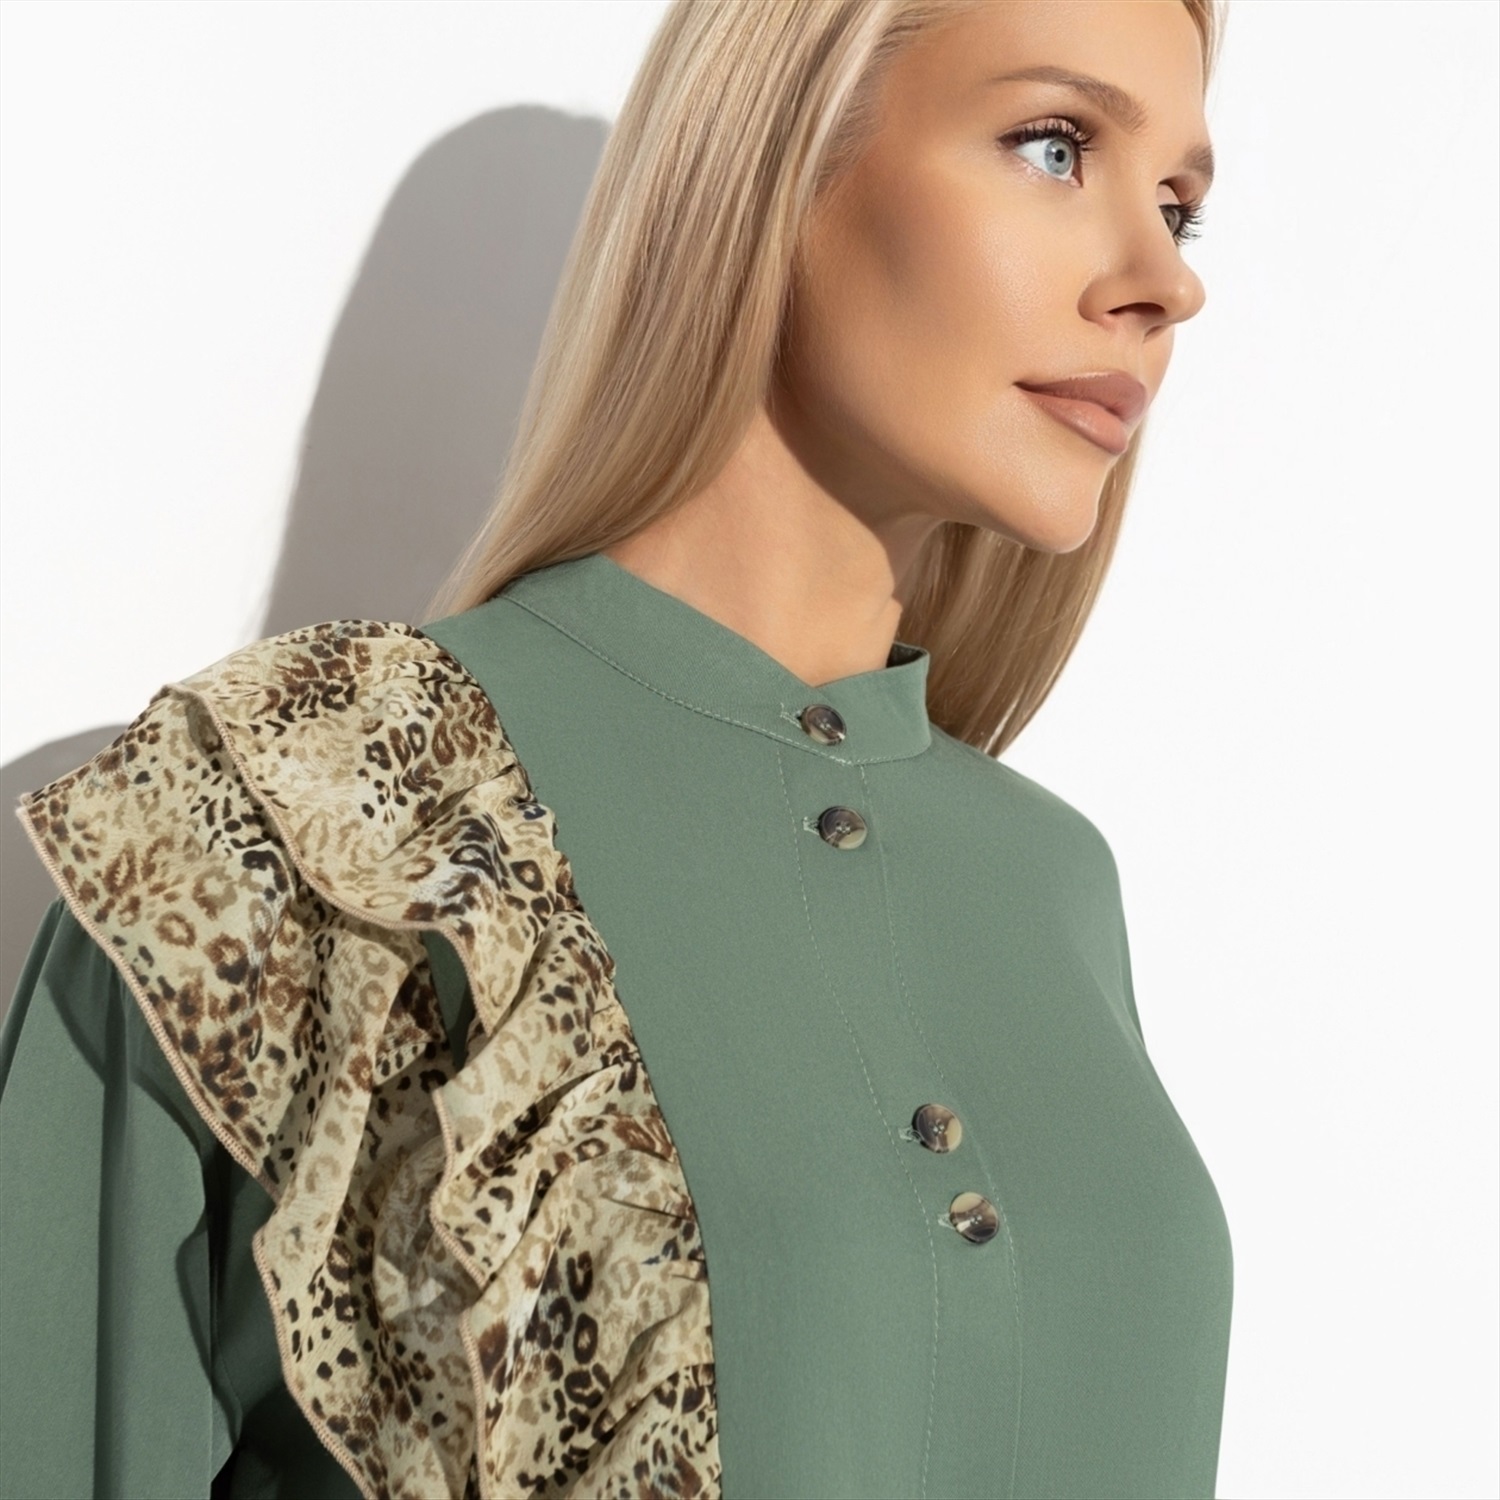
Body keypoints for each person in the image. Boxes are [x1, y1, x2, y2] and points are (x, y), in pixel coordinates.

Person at [0, 0, 1235, 1495]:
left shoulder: (1051, 884)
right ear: (776, 161)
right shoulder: (294, 803)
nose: (1168, 279)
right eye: (1054, 145)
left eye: (1180, 205)